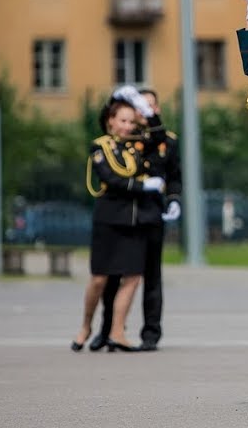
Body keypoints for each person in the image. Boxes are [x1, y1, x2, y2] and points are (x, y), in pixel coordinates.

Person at [73, 86, 166, 353]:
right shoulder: (100, 146)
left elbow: (159, 135)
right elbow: (111, 180)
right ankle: (86, 325)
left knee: (133, 277)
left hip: (133, 221)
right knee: (100, 279)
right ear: (110, 121)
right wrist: (143, 186)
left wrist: (146, 110)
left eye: (130, 121)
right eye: (122, 121)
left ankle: (117, 331)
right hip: (109, 219)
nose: (126, 126)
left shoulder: (137, 145)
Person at [91, 87, 182, 352]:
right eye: (141, 106)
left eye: (151, 106)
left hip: (152, 212)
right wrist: (117, 100)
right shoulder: (123, 138)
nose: (145, 111)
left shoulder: (165, 139)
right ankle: (107, 330)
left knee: (151, 275)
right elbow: (108, 120)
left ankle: (151, 332)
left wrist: (174, 199)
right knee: (115, 275)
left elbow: (174, 174)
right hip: (126, 213)